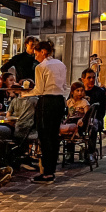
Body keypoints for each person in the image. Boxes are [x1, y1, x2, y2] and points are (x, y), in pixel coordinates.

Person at [18, 41, 68, 183]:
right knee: (54, 136)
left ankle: (47, 172)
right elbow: (64, 86)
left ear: (43, 52)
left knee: (45, 137)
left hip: (46, 102)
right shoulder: (61, 64)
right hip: (59, 101)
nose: (35, 57)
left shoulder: (41, 67)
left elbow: (39, 90)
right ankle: (50, 170)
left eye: (36, 53)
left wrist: (24, 94)